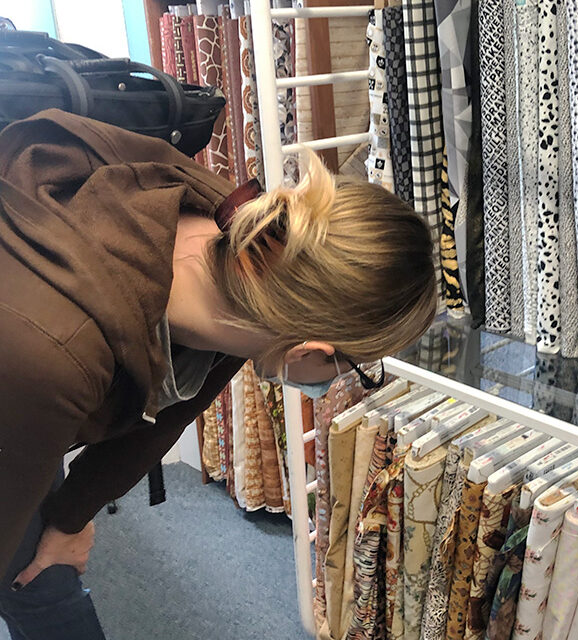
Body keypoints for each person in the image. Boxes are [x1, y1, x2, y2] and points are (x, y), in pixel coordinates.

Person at [0, 109, 437, 639]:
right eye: (352, 368)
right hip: (22, 381)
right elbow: (40, 389)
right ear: (313, 349)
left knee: (45, 571)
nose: (341, 380)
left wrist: (70, 518)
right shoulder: (53, 360)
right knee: (27, 578)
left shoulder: (245, 255)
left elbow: (166, 416)